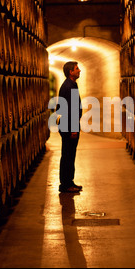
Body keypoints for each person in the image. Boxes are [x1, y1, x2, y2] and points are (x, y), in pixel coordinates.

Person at [56, 61, 83, 193]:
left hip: (68, 124)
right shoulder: (69, 86)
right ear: (70, 72)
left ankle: (69, 182)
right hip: (69, 125)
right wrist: (73, 129)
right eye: (77, 69)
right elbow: (71, 109)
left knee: (69, 154)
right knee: (68, 155)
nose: (79, 71)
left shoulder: (70, 84)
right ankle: (65, 185)